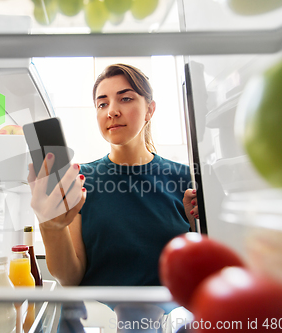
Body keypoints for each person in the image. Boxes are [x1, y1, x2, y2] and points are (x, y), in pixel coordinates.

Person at [27, 64, 198, 288]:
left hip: (169, 318)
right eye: (102, 103)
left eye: (125, 99)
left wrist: (197, 228)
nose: (112, 111)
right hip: (98, 319)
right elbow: (69, 278)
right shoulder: (80, 180)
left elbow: (202, 269)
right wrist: (50, 226)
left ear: (150, 109)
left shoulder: (186, 179)